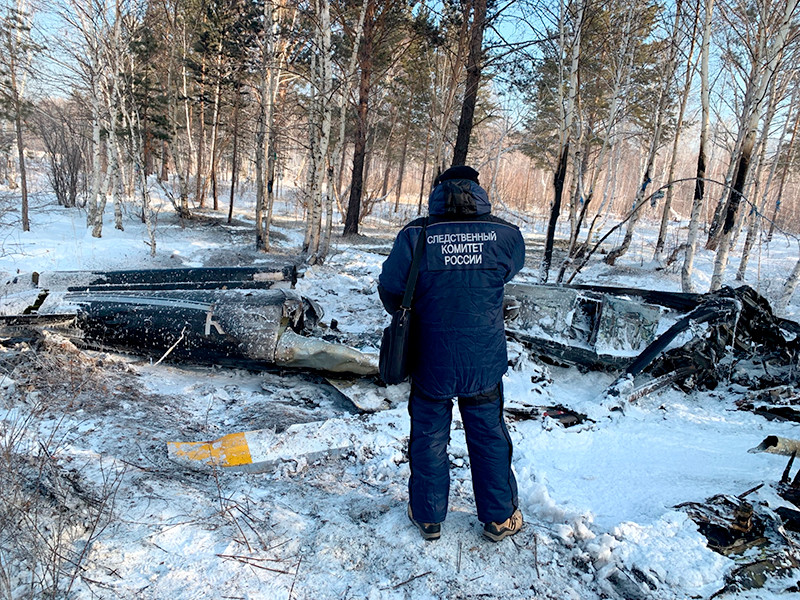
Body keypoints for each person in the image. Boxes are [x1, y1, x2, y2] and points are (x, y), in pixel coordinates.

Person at [378, 165, 526, 542]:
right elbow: (508, 271)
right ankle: (499, 518)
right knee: (489, 436)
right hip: (483, 359)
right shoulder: (506, 235)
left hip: (430, 357)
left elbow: (391, 289)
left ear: (438, 194)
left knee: (428, 436)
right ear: (478, 193)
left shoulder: (416, 235)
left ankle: (428, 516)